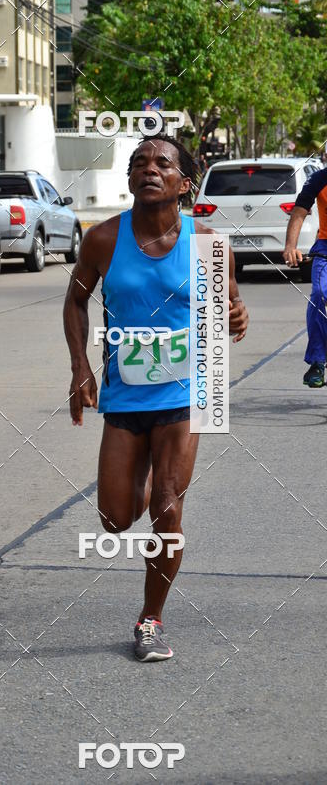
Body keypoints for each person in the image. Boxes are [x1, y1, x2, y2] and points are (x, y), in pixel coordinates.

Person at [63, 135, 248, 661]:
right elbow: (75, 302)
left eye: (162, 163)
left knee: (167, 508)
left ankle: (150, 620)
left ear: (183, 184)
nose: (149, 169)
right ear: (129, 181)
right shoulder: (102, 239)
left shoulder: (209, 244)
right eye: (139, 163)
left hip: (188, 391)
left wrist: (237, 315)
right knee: (117, 518)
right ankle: (141, 479)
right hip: (125, 396)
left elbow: (232, 308)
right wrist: (80, 365)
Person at [283, 165, 327, 387]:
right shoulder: (319, 179)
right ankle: (318, 362)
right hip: (325, 250)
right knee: (319, 294)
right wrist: (291, 246)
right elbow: (299, 212)